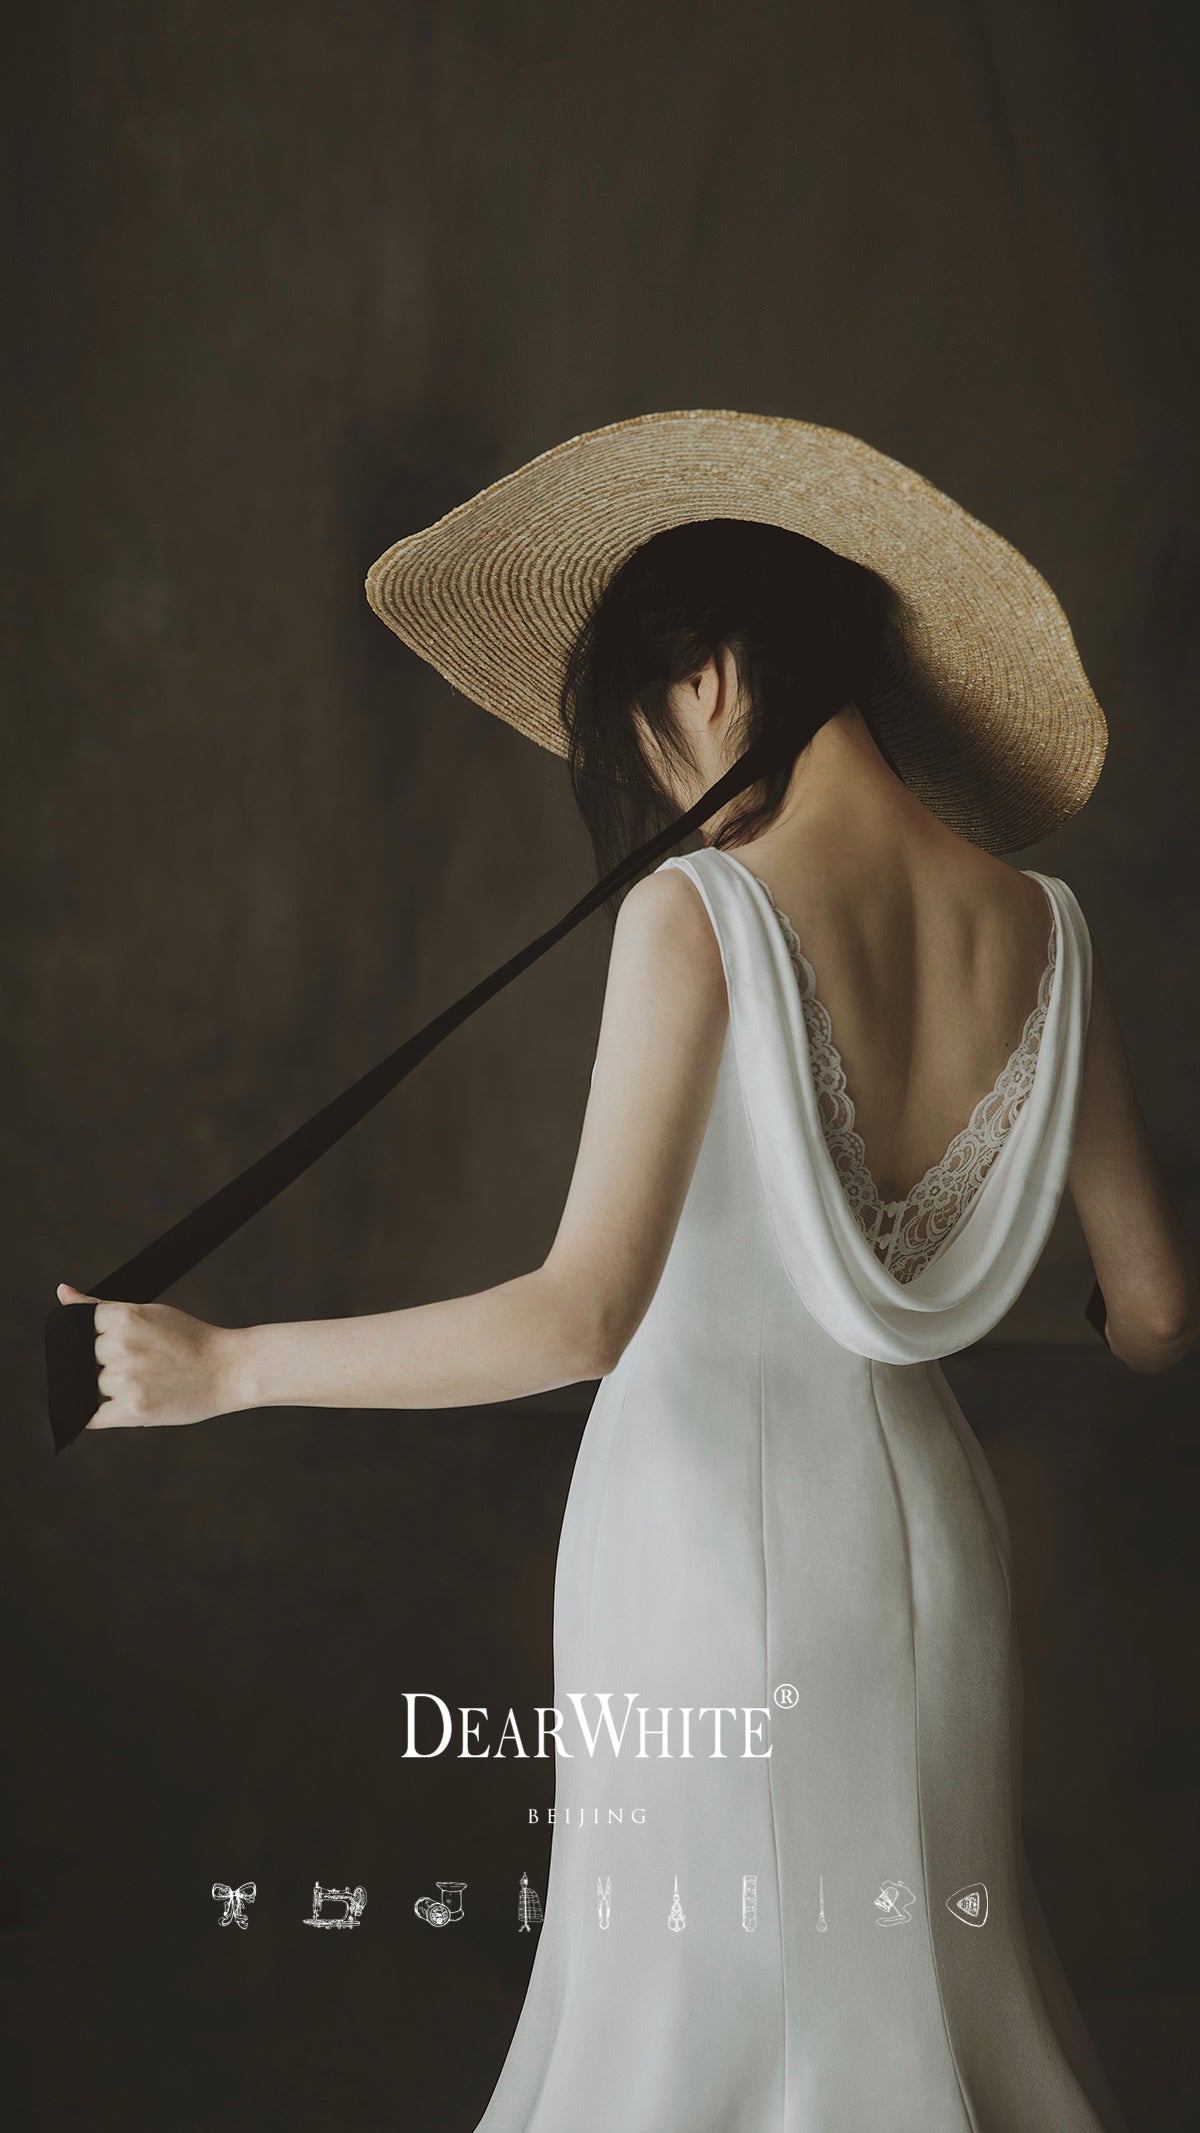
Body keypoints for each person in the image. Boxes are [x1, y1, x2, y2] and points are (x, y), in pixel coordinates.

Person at [57, 414, 1199, 2129]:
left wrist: (227, 1366)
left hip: (706, 1552)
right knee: (917, 2004)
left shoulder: (705, 911)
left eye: (644, 737)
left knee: (693, 2027)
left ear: (714, 676)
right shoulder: (1048, 927)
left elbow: (584, 1314)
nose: (662, 788)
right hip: (937, 1549)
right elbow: (1158, 1314)